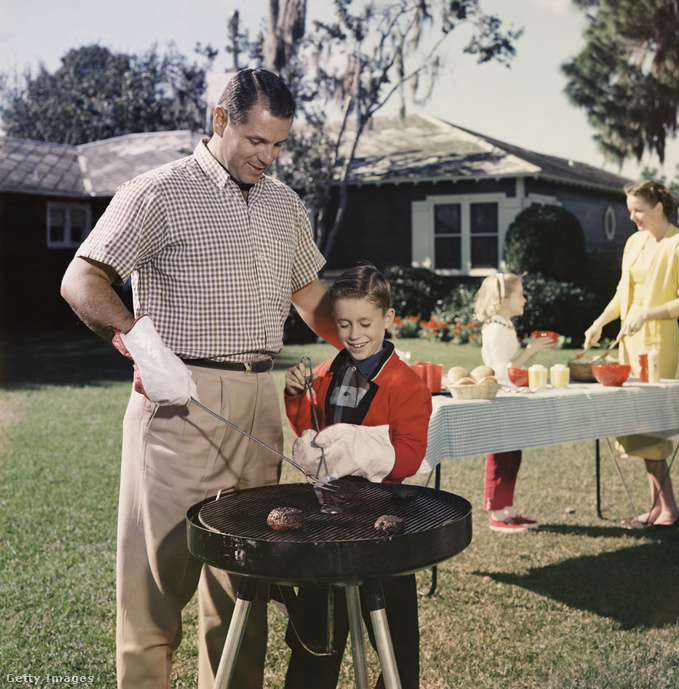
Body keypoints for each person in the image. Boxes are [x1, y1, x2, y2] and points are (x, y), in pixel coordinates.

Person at [60, 68, 342, 689]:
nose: (267, 157)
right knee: (155, 591)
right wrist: (140, 343)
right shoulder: (157, 192)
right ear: (220, 120)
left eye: (278, 145)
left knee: (244, 587)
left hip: (259, 401)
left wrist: (367, 345)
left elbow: (312, 297)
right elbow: (81, 280)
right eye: (256, 141)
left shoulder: (284, 205)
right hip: (178, 405)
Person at [281, 264, 433, 689]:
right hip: (329, 519)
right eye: (344, 323)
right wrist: (298, 397)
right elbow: (311, 430)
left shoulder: (407, 384)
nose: (354, 333)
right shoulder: (329, 372)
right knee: (318, 625)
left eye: (366, 323)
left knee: (394, 630)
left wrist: (358, 446)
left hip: (386, 520)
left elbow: (410, 456)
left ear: (388, 318)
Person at [583, 180, 679, 528]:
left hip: (658, 345)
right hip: (628, 343)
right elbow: (624, 292)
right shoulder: (634, 242)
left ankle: (670, 509)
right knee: (635, 423)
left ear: (659, 207)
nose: (632, 216)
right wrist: (600, 322)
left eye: (638, 210)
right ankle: (659, 507)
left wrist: (648, 313)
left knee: (651, 426)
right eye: (630, 209)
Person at [473, 273, 556, 533]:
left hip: (509, 399)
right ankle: (496, 514)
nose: (525, 298)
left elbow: (511, 367)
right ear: (503, 299)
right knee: (499, 456)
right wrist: (530, 350)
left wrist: (530, 353)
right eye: (520, 294)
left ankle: (507, 510)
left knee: (512, 455)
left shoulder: (505, 326)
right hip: (499, 401)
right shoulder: (496, 329)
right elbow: (501, 372)